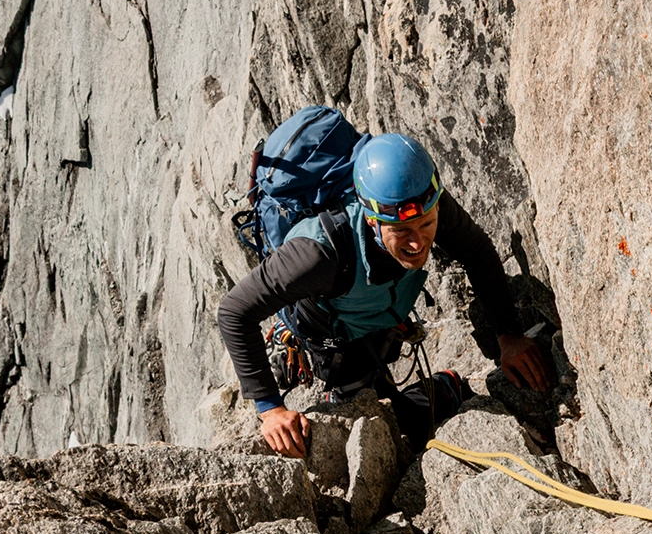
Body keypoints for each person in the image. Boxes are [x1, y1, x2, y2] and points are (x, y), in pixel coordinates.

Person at [217, 132, 552, 457]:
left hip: (379, 308)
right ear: (372, 219)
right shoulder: (316, 254)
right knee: (389, 430)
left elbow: (477, 252)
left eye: (426, 225)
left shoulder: (426, 201)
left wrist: (508, 334)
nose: (418, 242)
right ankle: (440, 388)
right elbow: (234, 312)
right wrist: (270, 408)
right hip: (330, 330)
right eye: (401, 231)